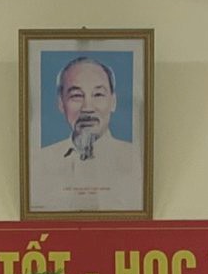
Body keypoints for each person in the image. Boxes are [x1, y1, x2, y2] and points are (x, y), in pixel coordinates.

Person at [28, 55, 142, 213]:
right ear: (61, 103)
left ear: (113, 102)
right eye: (76, 96)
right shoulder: (38, 163)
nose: (87, 108)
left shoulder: (138, 160)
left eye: (98, 95)